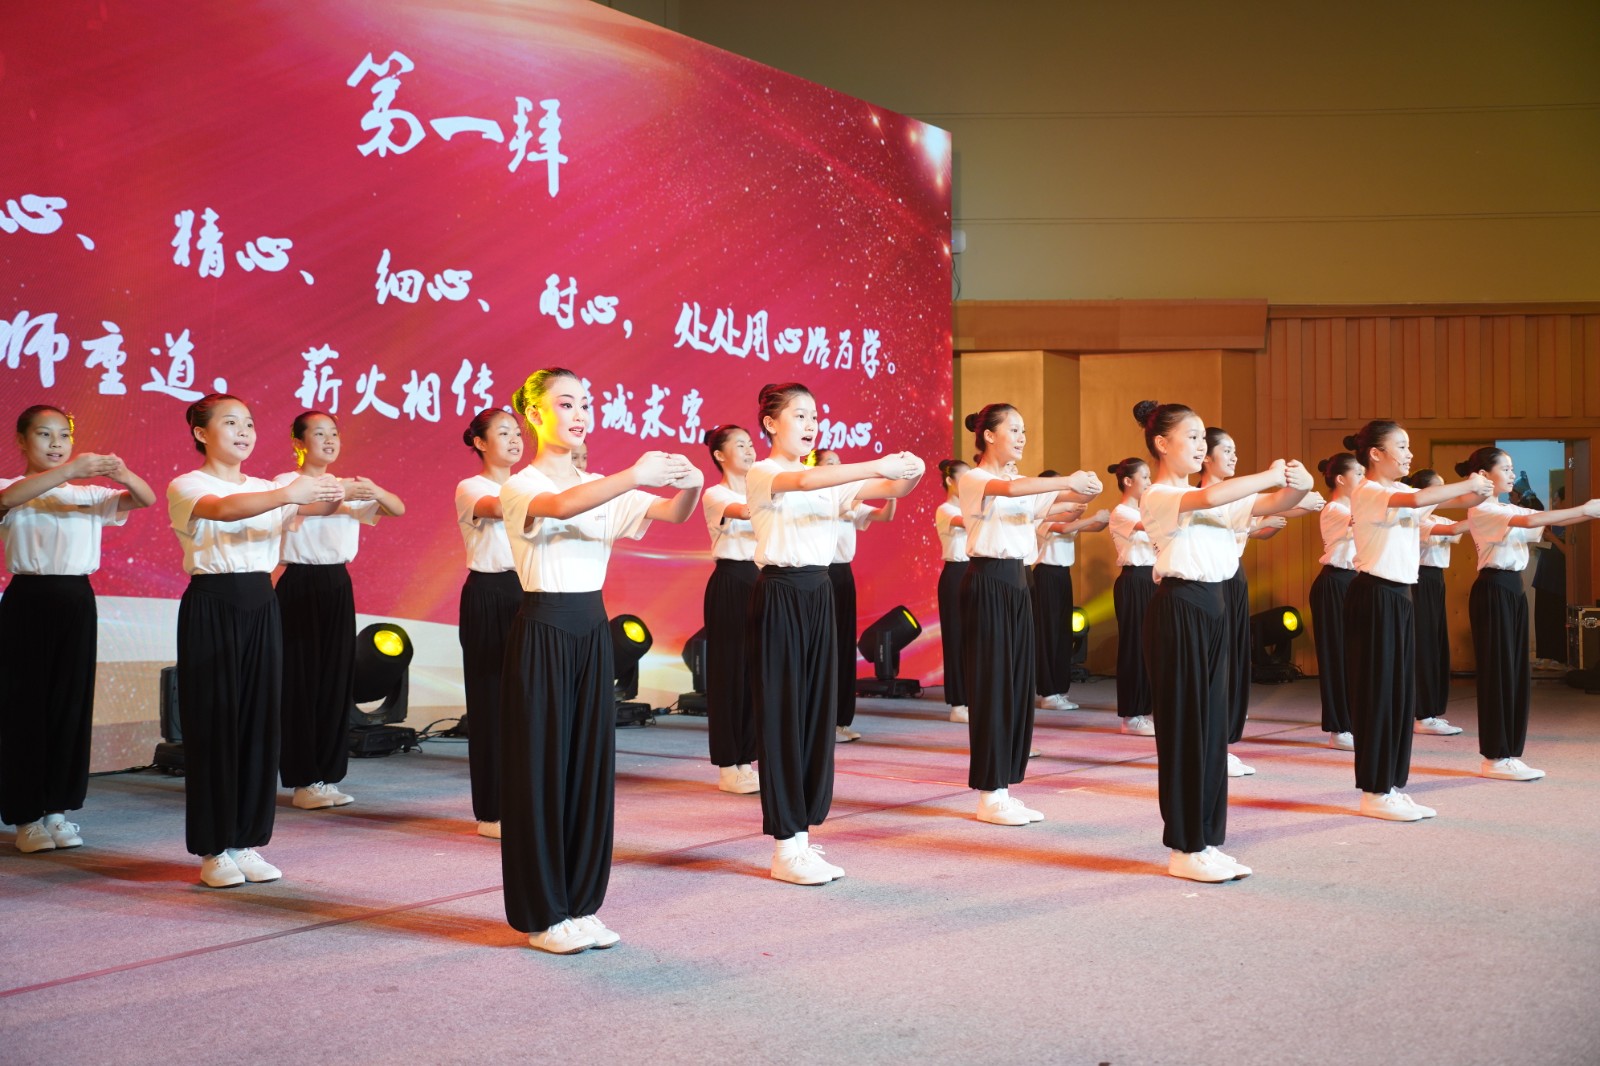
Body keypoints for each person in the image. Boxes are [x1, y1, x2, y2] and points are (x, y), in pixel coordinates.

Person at [497, 368, 701, 953]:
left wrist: (689, 483)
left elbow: (674, 514)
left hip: (591, 629)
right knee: (542, 770)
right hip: (543, 629)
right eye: (566, 403)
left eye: (585, 403)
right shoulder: (521, 485)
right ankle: (543, 915)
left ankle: (581, 903)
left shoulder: (602, 486)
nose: (580, 413)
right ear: (535, 414)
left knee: (588, 767)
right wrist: (635, 473)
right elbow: (561, 506)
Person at [746, 383, 922, 884]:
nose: (811, 424)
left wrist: (909, 470)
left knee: (816, 714)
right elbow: (804, 482)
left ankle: (802, 835)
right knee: (784, 714)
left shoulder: (828, 481)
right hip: (781, 594)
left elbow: (891, 492)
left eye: (815, 416)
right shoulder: (765, 472)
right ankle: (785, 846)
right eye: (799, 415)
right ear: (771, 424)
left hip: (820, 593)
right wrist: (876, 464)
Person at [168, 394, 344, 887]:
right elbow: (225, 510)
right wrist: (290, 493)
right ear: (201, 433)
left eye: (248, 423)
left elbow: (317, 507)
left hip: (262, 604)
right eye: (231, 423)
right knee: (216, 724)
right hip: (213, 603)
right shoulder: (189, 484)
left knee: (259, 724)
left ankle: (245, 841)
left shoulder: (267, 487)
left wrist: (332, 491)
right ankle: (213, 849)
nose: (244, 432)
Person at [1135, 400, 1310, 882]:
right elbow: (1213, 498)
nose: (1201, 446)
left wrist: (1298, 484)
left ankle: (1207, 840)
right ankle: (1184, 847)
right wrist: (1271, 473)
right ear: (1161, 443)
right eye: (1191, 437)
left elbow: (1275, 504)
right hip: (1180, 610)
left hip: (1214, 609)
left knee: (1212, 730)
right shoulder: (1160, 495)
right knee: (1185, 730)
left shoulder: (1209, 496)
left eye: (1202, 438)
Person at [1, 405, 153, 853]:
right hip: (27, 599)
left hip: (77, 600)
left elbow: (144, 498)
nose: (56, 443)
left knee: (70, 704)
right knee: (24, 707)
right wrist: (69, 469)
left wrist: (122, 473)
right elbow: (6, 502)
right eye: (44, 434)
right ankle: (26, 816)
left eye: (63, 435)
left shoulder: (89, 493)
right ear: (22, 441)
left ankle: (57, 811)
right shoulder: (11, 487)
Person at [958, 404, 1099, 827]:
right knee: (993, 686)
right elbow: (1014, 490)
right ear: (988, 436)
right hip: (988, 582)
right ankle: (989, 793)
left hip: (1019, 583)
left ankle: (1004, 785)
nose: (1022, 437)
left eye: (1024, 430)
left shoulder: (1019, 485)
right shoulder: (975, 479)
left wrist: (1086, 489)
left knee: (1019, 685)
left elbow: (1061, 501)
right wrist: (1067, 481)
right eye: (1014, 430)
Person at [1342, 421, 1490, 822]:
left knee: (1398, 693)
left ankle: (1390, 785)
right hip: (1375, 595)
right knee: (1378, 694)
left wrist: (1478, 491)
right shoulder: (1370, 491)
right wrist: (1468, 484)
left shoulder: (1400, 493)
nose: (1409, 454)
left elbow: (1440, 502)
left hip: (1399, 596)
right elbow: (1424, 496)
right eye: (1402, 446)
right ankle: (1374, 791)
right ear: (1376, 453)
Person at [273, 411, 405, 812]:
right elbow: (310, 509)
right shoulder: (285, 484)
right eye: (319, 433)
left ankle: (326, 776)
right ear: (299, 443)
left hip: (337, 585)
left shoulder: (349, 485)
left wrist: (373, 490)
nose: (329, 440)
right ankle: (302, 780)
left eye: (334, 433)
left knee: (335, 681)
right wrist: (341, 495)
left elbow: (396, 508)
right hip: (299, 583)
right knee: (301, 682)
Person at [1457, 447, 1600, 782]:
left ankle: (1508, 753)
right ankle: (1495, 757)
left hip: (1512, 589)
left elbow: (1548, 521)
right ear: (1484, 475)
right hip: (1494, 589)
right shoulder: (1483, 509)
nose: (1512, 474)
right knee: (1498, 673)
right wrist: (1585, 508)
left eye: (1512, 468)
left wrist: (1590, 513)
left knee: (1515, 672)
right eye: (1506, 469)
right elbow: (1534, 520)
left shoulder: (1506, 507)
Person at [454, 408, 525, 839]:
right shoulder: (472, 487)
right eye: (503, 433)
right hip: (489, 593)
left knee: (525, 702)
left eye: (518, 432)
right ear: (480, 443)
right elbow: (500, 509)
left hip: (529, 592)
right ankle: (492, 812)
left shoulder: (530, 485)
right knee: (490, 700)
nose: (515, 440)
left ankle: (523, 802)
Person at [815, 448, 895, 742]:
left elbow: (884, 515)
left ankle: (841, 720)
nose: (838, 466)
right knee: (825, 646)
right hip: (820, 574)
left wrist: (891, 493)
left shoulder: (851, 501)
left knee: (844, 645)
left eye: (839, 462)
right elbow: (840, 507)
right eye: (830, 463)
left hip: (843, 575)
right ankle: (822, 722)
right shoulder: (818, 498)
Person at [700, 424, 760, 794]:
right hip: (730, 582)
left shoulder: (760, 489)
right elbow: (747, 511)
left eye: (751, 444)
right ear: (720, 455)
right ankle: (727, 765)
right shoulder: (715, 494)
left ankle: (746, 760)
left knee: (755, 673)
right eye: (741, 445)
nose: (750, 450)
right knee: (729, 673)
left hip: (760, 580)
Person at [1033, 473, 1110, 714]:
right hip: (1045, 575)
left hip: (1061, 575)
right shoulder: (1042, 513)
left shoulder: (1066, 514)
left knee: (1062, 633)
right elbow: (1066, 527)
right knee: (1049, 633)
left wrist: (1103, 520)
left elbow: (1090, 526)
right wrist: (1092, 516)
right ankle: (1048, 692)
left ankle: (1058, 689)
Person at [1402, 469, 1466, 736]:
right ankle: (1422, 714)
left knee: (1436, 643)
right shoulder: (1414, 519)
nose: (1443, 492)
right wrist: (1484, 516)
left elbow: (1456, 532)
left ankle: (1431, 711)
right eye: (1438, 488)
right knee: (1424, 644)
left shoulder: (1434, 518)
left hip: (1436, 580)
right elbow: (1454, 529)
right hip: (1420, 580)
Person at [1310, 453, 1361, 750]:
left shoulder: (1355, 507)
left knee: (1354, 656)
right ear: (1341, 479)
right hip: (1334, 583)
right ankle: (1339, 728)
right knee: (1337, 656)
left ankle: (1354, 721)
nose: (1364, 480)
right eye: (1359, 474)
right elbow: (1366, 518)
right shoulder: (1334, 508)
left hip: (1353, 582)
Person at [1107, 457, 1157, 736]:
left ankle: (1146, 709)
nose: (1150, 482)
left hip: (1153, 580)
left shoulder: (1143, 510)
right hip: (1134, 581)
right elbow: (1151, 526)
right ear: (1128, 481)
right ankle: (1131, 715)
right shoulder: (1122, 512)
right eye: (1145, 477)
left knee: (1151, 647)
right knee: (1134, 647)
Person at [933, 459, 971, 723]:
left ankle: (973, 697)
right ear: (950, 481)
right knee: (956, 637)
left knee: (974, 639)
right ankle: (958, 704)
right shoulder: (945, 509)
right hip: (955, 575)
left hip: (974, 573)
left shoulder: (973, 508)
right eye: (964, 478)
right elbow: (968, 522)